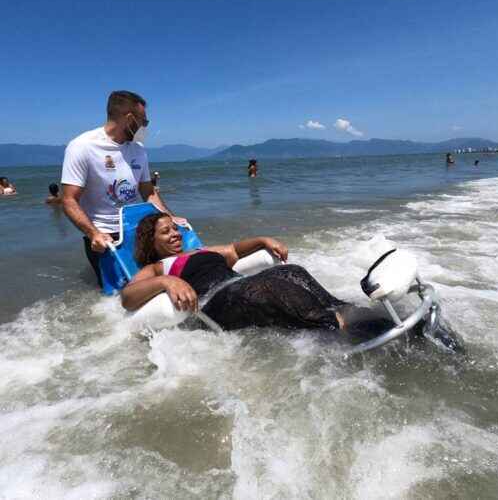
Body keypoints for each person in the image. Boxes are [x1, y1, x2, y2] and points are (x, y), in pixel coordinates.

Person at [121, 213, 463, 351]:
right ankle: (359, 331)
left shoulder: (203, 250)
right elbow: (128, 296)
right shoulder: (156, 268)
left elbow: (234, 250)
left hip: (240, 288)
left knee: (292, 271)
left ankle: (358, 317)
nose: (175, 235)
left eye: (176, 228)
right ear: (151, 242)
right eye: (165, 232)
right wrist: (166, 282)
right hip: (217, 303)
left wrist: (263, 240)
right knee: (272, 287)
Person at [61, 90, 186, 287]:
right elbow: (68, 199)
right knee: (117, 294)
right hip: (104, 236)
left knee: (155, 282)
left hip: (136, 230)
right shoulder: (82, 146)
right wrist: (93, 233)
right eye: (144, 121)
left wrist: (170, 218)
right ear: (129, 119)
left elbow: (149, 192)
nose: (145, 127)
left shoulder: (138, 150)